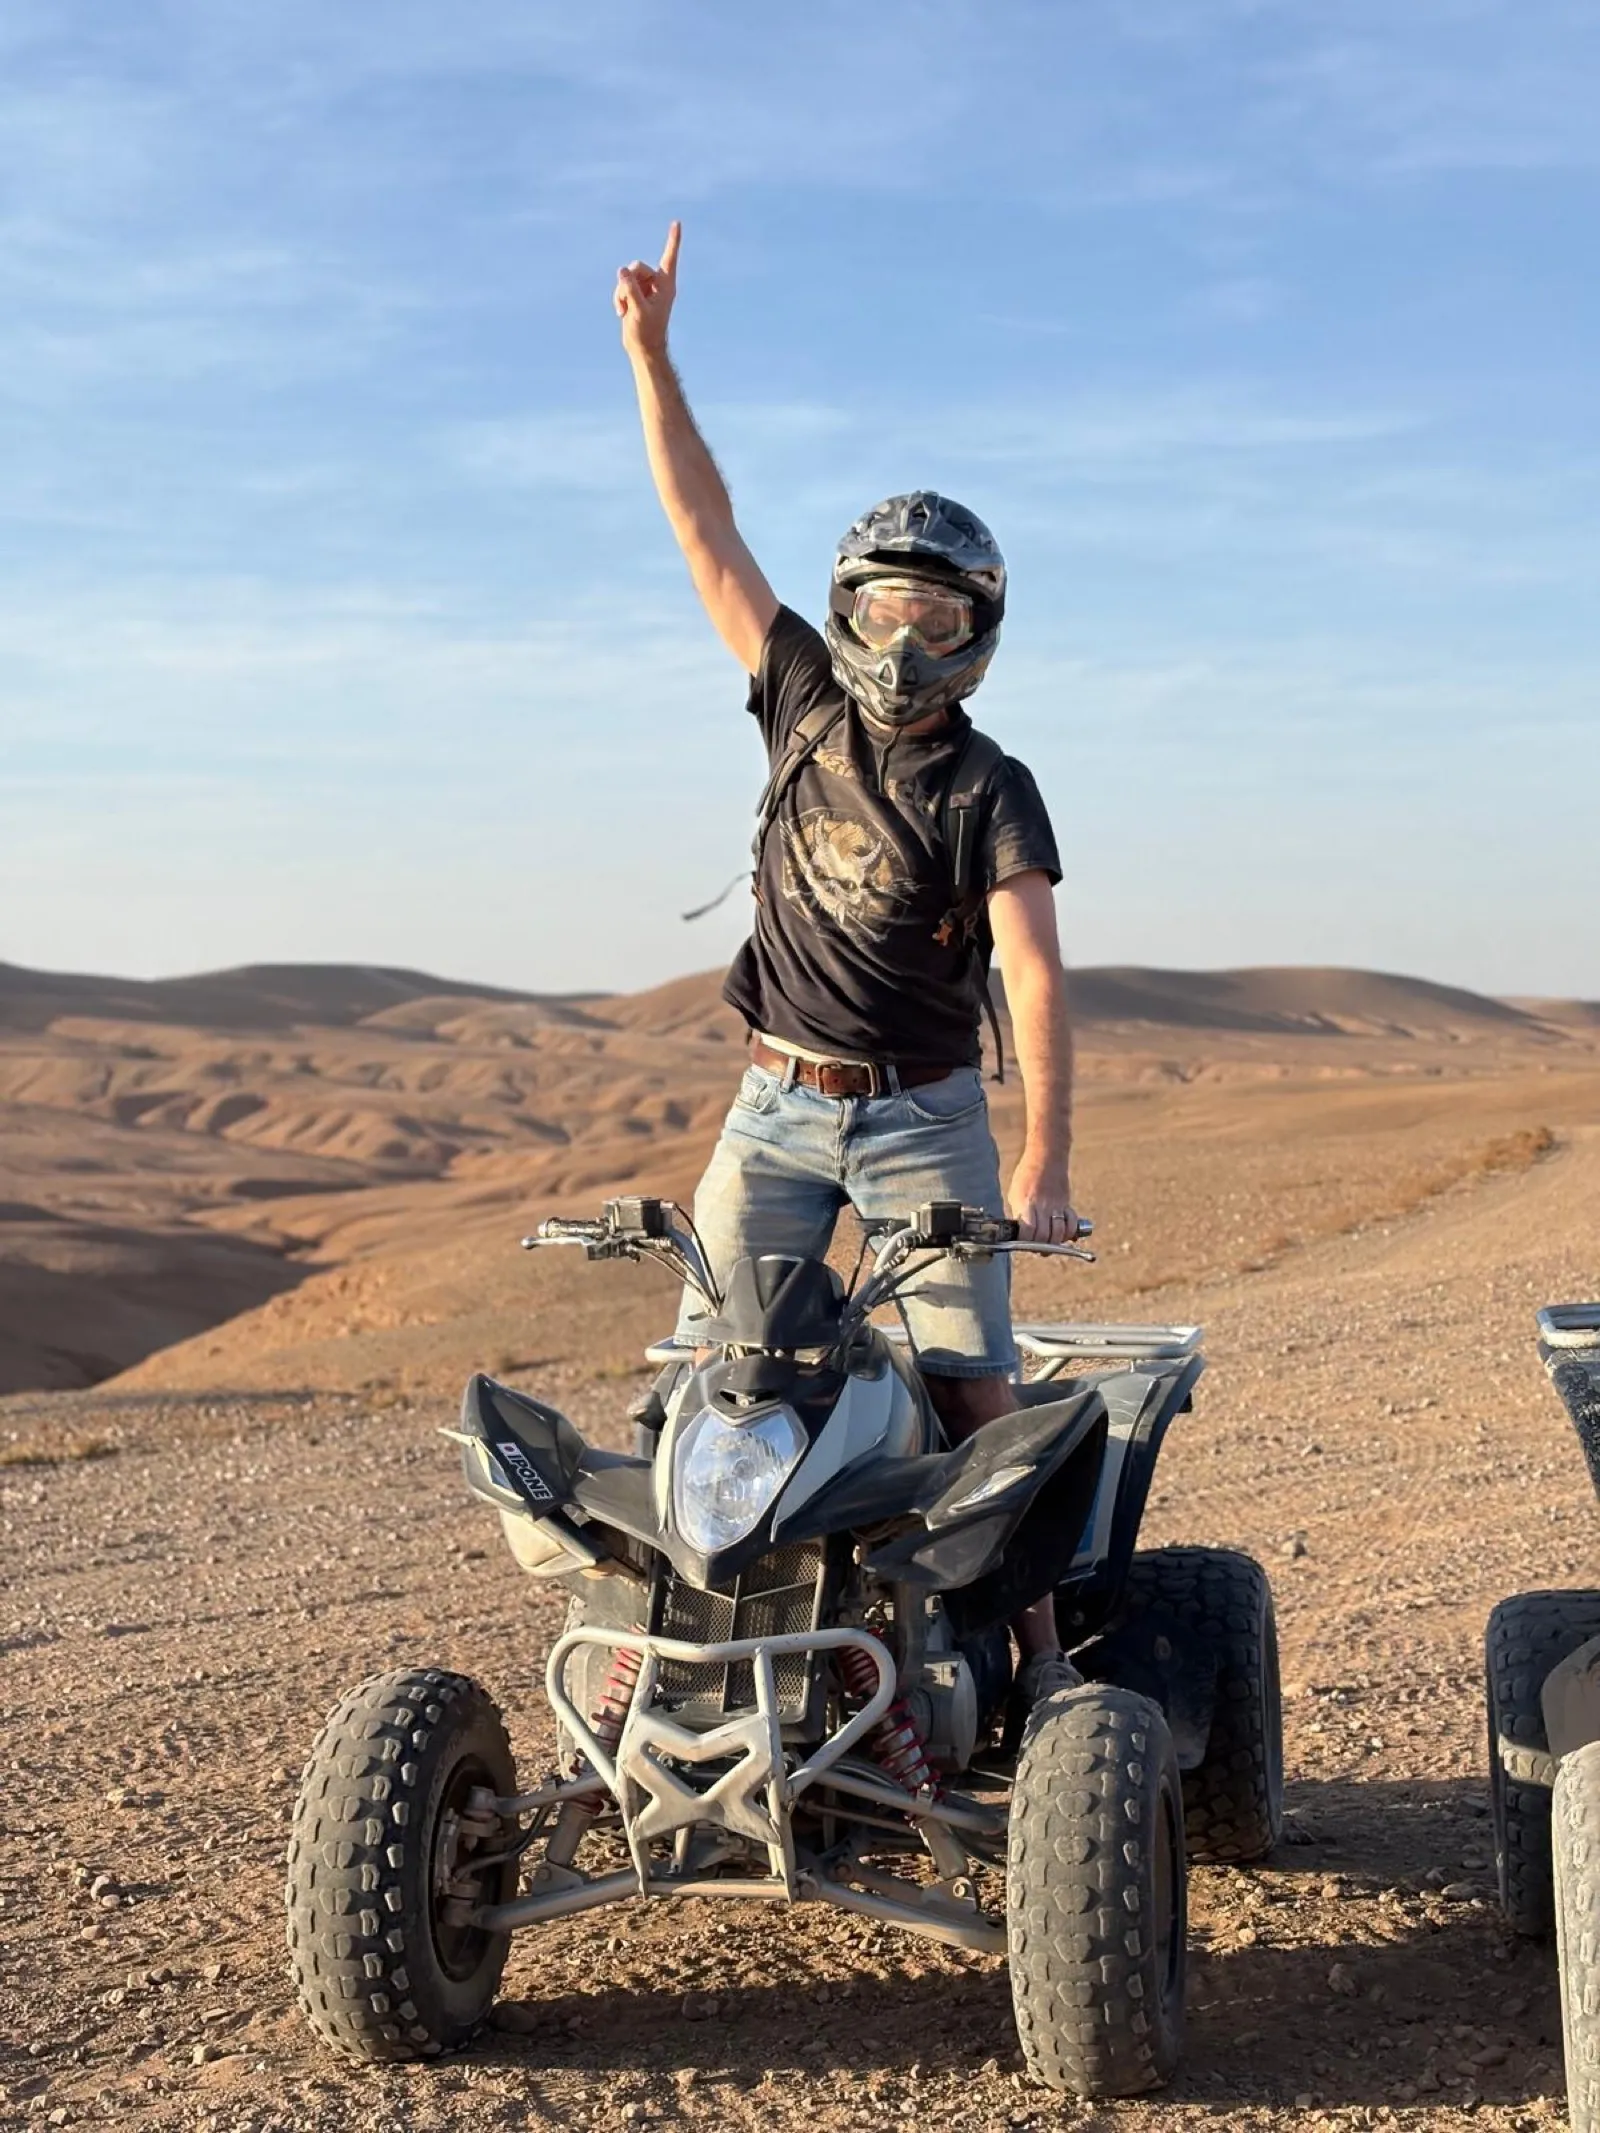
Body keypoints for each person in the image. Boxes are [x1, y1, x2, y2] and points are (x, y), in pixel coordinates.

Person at [615, 222, 1081, 1714]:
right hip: (774, 1108)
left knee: (972, 1385)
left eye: (936, 616)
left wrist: (1042, 1159)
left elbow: (1033, 971)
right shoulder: (800, 700)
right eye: (884, 608)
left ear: (978, 631)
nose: (904, 639)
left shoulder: (991, 786)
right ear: (846, 610)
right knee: (709, 1373)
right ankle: (656, 1661)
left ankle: (1040, 1660)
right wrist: (651, 357)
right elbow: (703, 527)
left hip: (924, 1115)